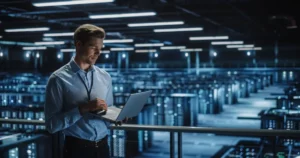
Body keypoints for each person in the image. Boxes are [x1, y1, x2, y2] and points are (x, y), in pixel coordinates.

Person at [45, 24, 118, 158]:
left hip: (103, 147)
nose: (98, 53)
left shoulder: (105, 77)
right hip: (77, 150)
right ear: (79, 44)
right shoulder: (58, 79)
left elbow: (107, 112)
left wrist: (117, 117)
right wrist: (82, 109)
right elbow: (51, 125)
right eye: (93, 47)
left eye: (100, 48)